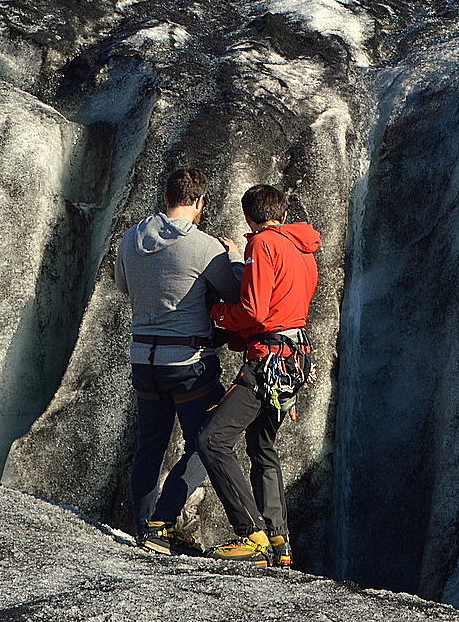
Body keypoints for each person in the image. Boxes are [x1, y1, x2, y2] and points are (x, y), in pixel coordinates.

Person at [114, 167, 242, 556]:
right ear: (200, 202)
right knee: (208, 442)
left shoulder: (131, 238)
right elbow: (236, 291)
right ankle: (162, 524)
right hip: (188, 363)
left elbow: (122, 286)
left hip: (143, 359)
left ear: (165, 197)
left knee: (149, 446)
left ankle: (143, 528)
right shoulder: (205, 247)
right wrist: (234, 255)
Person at [198, 184, 320, 567]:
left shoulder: (264, 244)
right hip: (293, 361)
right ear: (282, 213)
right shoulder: (304, 250)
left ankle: (252, 535)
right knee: (262, 446)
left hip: (267, 361)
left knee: (213, 439)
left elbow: (253, 310)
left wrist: (217, 313)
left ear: (249, 217)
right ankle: (280, 541)